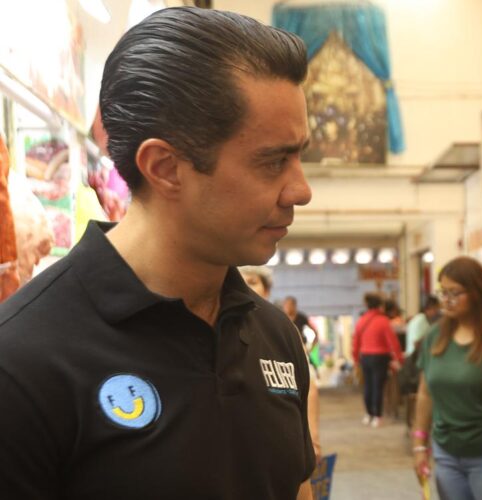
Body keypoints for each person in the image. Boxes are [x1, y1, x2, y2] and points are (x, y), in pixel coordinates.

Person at [0, 8, 315, 499]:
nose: (301, 190)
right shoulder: (23, 360)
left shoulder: (274, 335)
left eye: (299, 156)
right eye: (273, 162)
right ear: (164, 167)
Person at [412, 256, 482, 500]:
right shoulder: (435, 335)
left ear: (477, 292)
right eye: (443, 292)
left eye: (455, 293)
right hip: (446, 450)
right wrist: (419, 444)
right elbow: (425, 393)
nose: (446, 300)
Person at [240, 266, 321, 464]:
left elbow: (309, 388)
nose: (244, 288)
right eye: (238, 282)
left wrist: (313, 439)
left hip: (281, 445)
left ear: (266, 290)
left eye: (252, 282)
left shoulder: (283, 330)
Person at [352, 292, 403, 427]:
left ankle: (368, 414)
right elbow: (393, 342)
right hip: (380, 357)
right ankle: (377, 416)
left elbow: (355, 341)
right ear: (380, 306)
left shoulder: (361, 320)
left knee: (368, 386)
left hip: (365, 357)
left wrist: (355, 359)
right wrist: (399, 358)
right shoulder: (383, 321)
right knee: (378, 387)